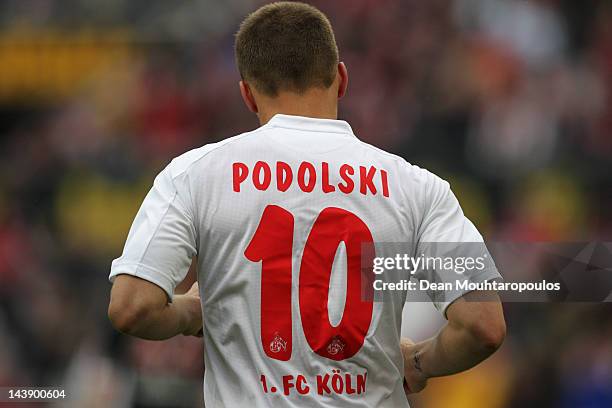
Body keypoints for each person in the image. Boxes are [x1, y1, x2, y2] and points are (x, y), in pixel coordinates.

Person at [107, 2, 506, 407]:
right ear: (341, 78)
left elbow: (131, 308)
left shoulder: (194, 174)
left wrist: (191, 313)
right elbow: (484, 325)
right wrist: (419, 363)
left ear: (247, 93)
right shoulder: (420, 187)